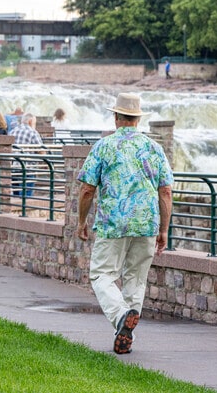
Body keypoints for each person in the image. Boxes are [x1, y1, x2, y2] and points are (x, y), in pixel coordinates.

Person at [76, 93, 173, 355]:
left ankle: (121, 317)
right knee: (136, 279)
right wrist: (164, 229)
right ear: (137, 118)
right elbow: (165, 192)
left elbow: (87, 190)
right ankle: (125, 331)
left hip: (112, 223)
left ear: (116, 117)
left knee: (101, 274)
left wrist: (81, 221)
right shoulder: (154, 149)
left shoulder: (104, 146)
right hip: (146, 223)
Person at [10, 113, 43, 196]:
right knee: (26, 196)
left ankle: (17, 208)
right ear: (30, 121)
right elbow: (42, 150)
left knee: (16, 195)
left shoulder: (13, 131)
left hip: (14, 167)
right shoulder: (33, 132)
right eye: (34, 123)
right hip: (28, 168)